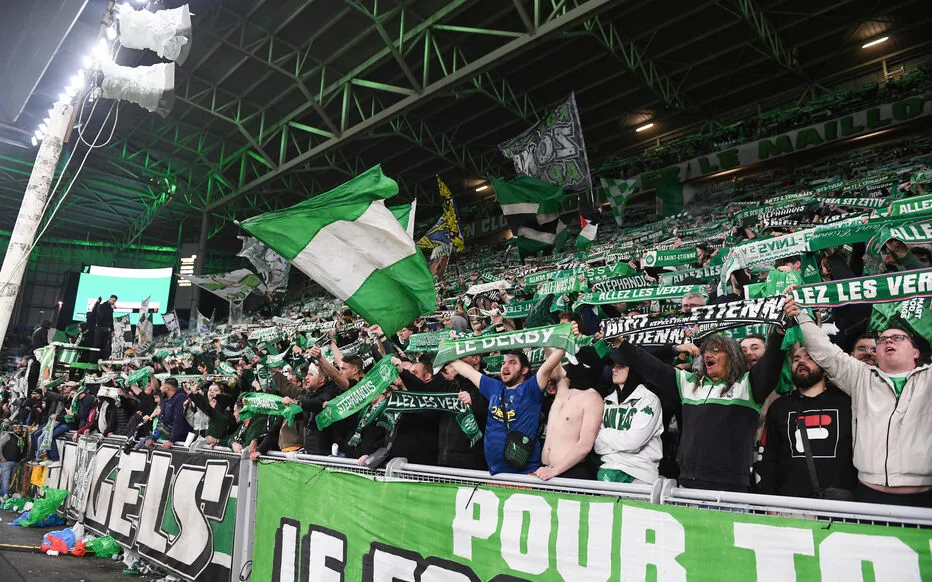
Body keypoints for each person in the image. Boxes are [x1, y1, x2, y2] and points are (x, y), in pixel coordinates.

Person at [785, 294, 932, 507]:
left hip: (922, 498)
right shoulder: (861, 377)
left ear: (916, 352)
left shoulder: (928, 379)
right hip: (869, 495)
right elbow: (824, 350)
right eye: (881, 340)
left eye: (898, 338)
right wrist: (800, 312)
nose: (888, 340)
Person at [614, 330, 785, 492]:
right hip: (688, 485)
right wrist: (621, 344)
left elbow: (771, 362)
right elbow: (652, 367)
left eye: (716, 350)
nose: (708, 355)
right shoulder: (688, 384)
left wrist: (778, 334)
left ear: (732, 356)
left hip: (730, 488)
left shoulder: (748, 385)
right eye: (705, 351)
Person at [757, 345, 855, 499]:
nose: (801, 362)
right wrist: (768, 501)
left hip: (840, 504)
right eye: (796, 359)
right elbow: (768, 459)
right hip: (791, 502)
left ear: (825, 367)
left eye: (810, 358)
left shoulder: (847, 403)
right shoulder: (779, 407)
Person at [451, 348, 564, 475]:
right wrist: (446, 353)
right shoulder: (494, 387)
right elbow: (468, 371)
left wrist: (560, 339)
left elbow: (549, 365)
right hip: (495, 473)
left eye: (512, 363)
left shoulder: (531, 388)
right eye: (503, 363)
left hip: (525, 475)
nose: (505, 366)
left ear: (524, 370)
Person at [594, 349, 663, 484]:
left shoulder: (649, 400)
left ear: (634, 370)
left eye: (621, 366)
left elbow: (633, 443)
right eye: (613, 365)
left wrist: (605, 434)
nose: (614, 370)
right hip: (608, 471)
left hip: (641, 475)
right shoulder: (607, 400)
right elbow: (597, 446)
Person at [535, 347, 604, 480]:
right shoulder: (563, 387)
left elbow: (585, 445)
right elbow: (553, 364)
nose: (570, 367)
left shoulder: (593, 398)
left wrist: (555, 470)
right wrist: (550, 340)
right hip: (545, 469)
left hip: (569, 472)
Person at [145, 378, 191, 449]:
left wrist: (171, 441)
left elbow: (178, 420)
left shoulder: (181, 397)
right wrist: (153, 438)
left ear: (167, 388)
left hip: (183, 439)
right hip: (173, 438)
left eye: (162, 386)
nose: (160, 388)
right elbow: (161, 420)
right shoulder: (165, 400)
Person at [0, 422, 24, 498]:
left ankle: (5, 492)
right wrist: (1, 457)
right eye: (16, 428)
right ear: (13, 429)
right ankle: (5, 494)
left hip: (16, 462)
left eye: (19, 428)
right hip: (6, 461)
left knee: (11, 479)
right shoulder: (8, 435)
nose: (18, 430)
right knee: (6, 478)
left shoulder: (22, 438)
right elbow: (0, 445)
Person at [93, 295, 118, 360]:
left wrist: (112, 330)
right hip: (100, 329)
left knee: (105, 347)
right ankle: (93, 361)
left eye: (115, 301)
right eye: (113, 300)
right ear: (110, 299)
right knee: (97, 346)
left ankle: (102, 362)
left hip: (107, 330)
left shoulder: (110, 308)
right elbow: (102, 316)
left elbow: (110, 320)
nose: (113, 302)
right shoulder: (102, 306)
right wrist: (111, 310)